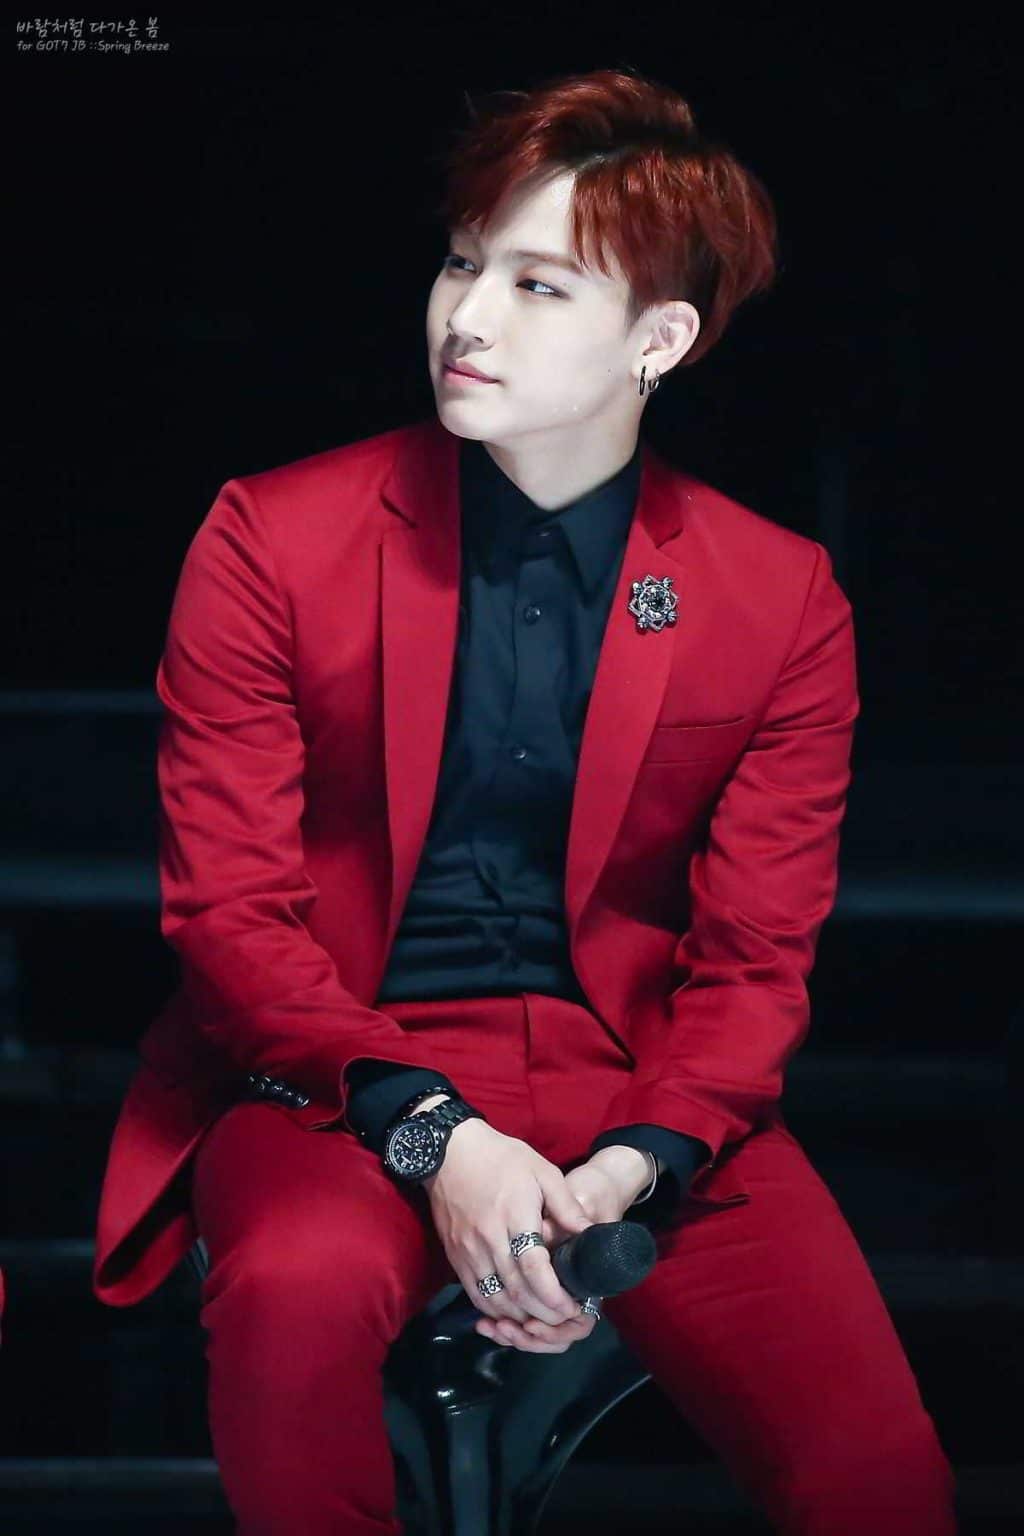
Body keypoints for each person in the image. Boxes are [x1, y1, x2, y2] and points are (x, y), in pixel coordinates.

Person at [93, 66, 958, 1534]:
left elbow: (756, 961)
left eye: (539, 285)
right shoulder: (272, 537)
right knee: (296, 1301)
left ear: (659, 340)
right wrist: (441, 1138)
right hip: (333, 1077)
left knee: (874, 1475)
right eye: (460, 264)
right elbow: (230, 912)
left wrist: (634, 1165)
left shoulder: (777, 594)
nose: (468, 317)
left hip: (642, 1084)